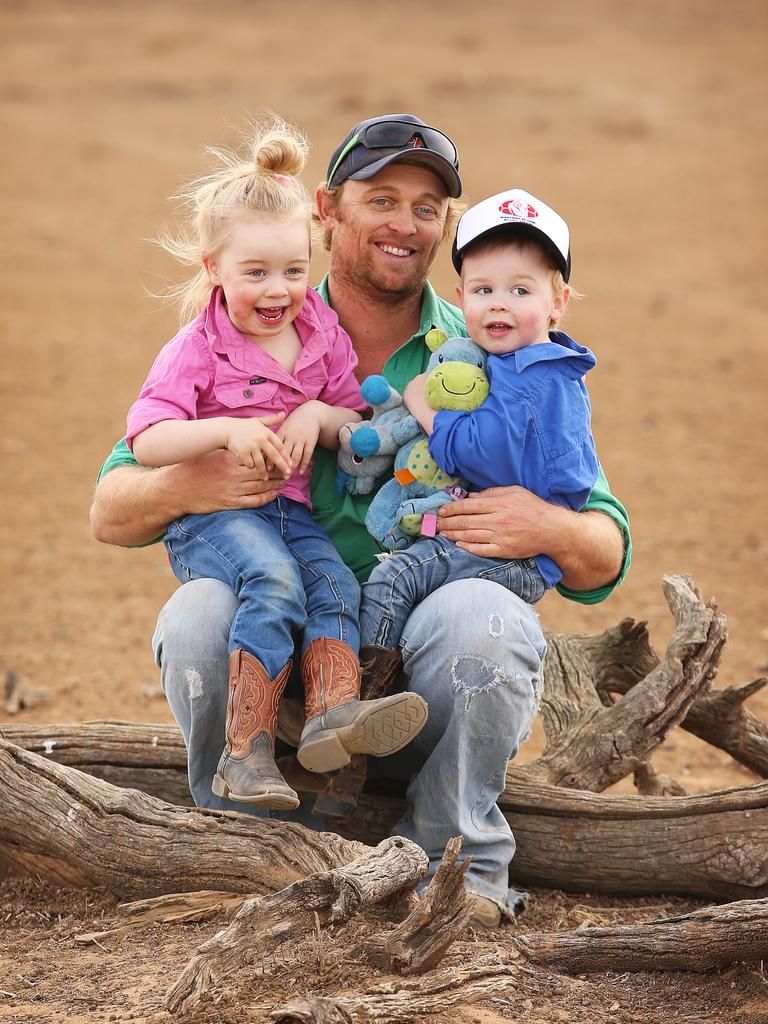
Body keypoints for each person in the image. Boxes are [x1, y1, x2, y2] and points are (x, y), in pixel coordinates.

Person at [91, 113, 631, 928]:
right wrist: (191, 481)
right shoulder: (257, 314)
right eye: (381, 199)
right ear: (327, 209)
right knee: (200, 611)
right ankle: (242, 844)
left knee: (485, 617)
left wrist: (548, 525)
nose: (405, 224)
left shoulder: (488, 344)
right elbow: (111, 508)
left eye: (426, 207)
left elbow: (605, 547)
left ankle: (456, 867)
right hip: (276, 676)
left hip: (415, 684)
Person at [122, 118, 428, 811]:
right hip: (217, 519)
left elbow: (358, 426)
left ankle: (329, 716)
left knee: (330, 585)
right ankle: (245, 751)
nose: (276, 290)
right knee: (275, 580)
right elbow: (146, 439)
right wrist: (223, 431)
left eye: (293, 271)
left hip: (289, 512)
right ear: (214, 270)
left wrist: (319, 418)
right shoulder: (197, 345)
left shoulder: (320, 334)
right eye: (254, 272)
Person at [359, 187, 598, 659]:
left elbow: (477, 452)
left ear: (558, 301)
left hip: (519, 553)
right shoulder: (510, 365)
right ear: (461, 296)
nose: (499, 304)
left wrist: (423, 407)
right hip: (497, 539)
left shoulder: (537, 377)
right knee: (411, 576)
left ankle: (367, 696)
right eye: (483, 290)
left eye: (521, 290)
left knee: (395, 578)